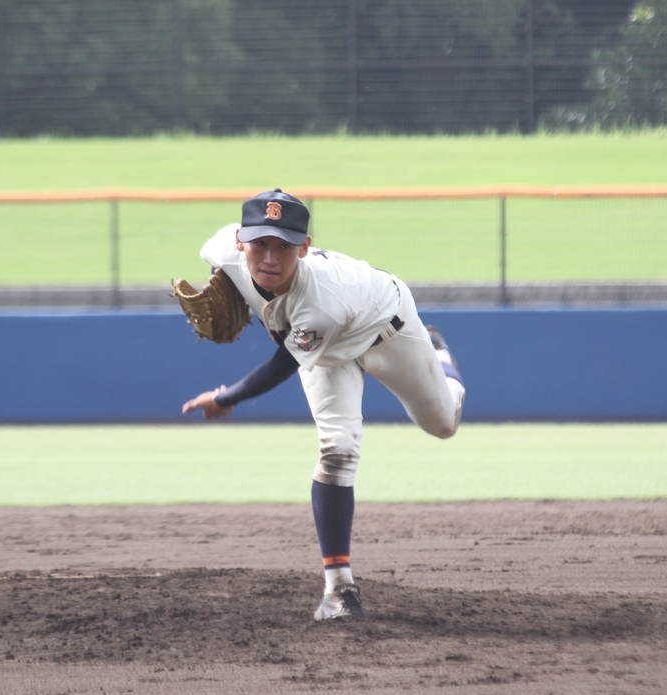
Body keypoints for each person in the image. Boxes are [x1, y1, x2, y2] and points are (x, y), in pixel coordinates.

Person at [182, 189, 465, 621]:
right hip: (324, 352)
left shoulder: (321, 302)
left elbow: (283, 364)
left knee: (444, 424)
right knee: (338, 450)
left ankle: (440, 358)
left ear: (305, 247)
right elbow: (217, 267)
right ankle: (340, 592)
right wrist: (226, 289)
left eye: (284, 247)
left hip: (387, 327)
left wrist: (226, 397)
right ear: (240, 240)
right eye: (260, 244)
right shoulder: (221, 249)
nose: (270, 258)